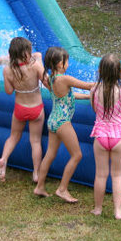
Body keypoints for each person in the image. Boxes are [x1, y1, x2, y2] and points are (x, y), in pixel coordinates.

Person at [33, 46, 94, 203]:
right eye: (67, 61)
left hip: (53, 120)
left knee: (50, 154)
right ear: (60, 63)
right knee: (77, 155)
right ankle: (62, 189)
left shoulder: (52, 79)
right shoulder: (65, 79)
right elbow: (89, 86)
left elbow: (68, 95)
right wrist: (109, 80)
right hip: (62, 122)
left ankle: (39, 186)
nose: (68, 64)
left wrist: (86, 97)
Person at [0, 37, 48, 182]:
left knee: (13, 137)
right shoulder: (35, 66)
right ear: (26, 53)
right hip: (36, 109)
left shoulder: (8, 70)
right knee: (35, 141)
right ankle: (36, 173)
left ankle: (3, 159)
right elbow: (47, 82)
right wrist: (40, 63)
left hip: (20, 108)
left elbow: (9, 91)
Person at [89, 54, 121, 220]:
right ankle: (118, 212)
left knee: (100, 175)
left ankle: (98, 209)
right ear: (120, 72)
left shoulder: (94, 90)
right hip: (118, 136)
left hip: (100, 135)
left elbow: (95, 109)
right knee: (117, 175)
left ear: (100, 71)